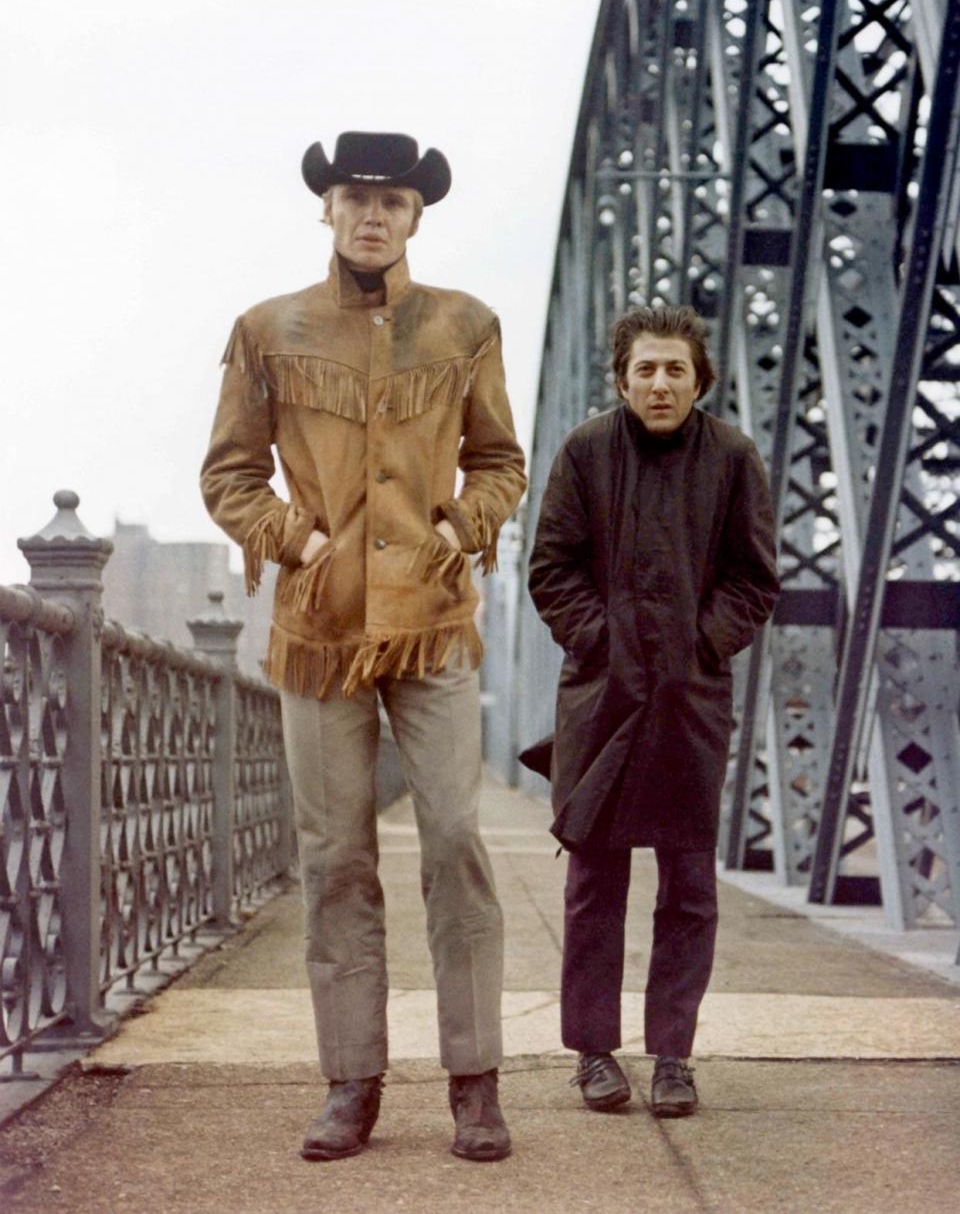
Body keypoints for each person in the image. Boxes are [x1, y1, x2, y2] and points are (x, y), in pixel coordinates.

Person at [201, 131, 526, 1162]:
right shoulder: (267, 329)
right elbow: (229, 473)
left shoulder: (466, 325)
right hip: (321, 629)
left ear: (417, 215)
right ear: (328, 210)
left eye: (391, 200)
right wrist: (287, 537)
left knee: (455, 847)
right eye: (355, 198)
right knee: (335, 857)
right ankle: (352, 1083)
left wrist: (456, 528)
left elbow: (500, 461)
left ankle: (475, 1083)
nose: (373, 215)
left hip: (432, 626)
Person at [525, 304, 779, 1118]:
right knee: (595, 883)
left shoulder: (733, 458)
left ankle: (674, 1055)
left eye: (676, 369)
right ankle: (595, 1053)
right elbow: (551, 567)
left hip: (689, 703)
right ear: (621, 378)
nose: (660, 384)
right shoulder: (585, 452)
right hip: (602, 701)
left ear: (699, 378)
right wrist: (602, 644)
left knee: (689, 887)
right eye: (645, 370)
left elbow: (754, 578)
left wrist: (703, 647)